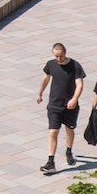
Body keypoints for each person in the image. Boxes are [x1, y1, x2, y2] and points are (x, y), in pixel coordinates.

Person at [34, 41, 86, 174]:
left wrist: (74, 99)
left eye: (61, 56)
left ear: (65, 53)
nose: (58, 59)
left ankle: (69, 151)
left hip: (70, 107)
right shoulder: (51, 65)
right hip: (54, 105)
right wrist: (40, 93)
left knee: (69, 129)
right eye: (56, 56)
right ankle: (51, 162)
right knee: (53, 132)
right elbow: (45, 79)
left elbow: (79, 84)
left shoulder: (75, 66)